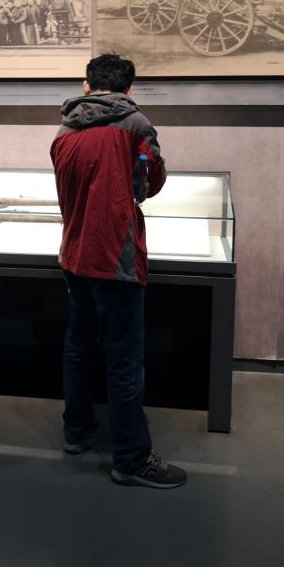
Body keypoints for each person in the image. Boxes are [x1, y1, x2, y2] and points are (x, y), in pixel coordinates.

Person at [50, 54, 187, 490]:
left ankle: (77, 431)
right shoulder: (136, 125)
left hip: (74, 253)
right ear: (129, 89)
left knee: (78, 347)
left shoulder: (64, 131)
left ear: (86, 86)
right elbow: (149, 183)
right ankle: (131, 457)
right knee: (124, 358)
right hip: (114, 256)